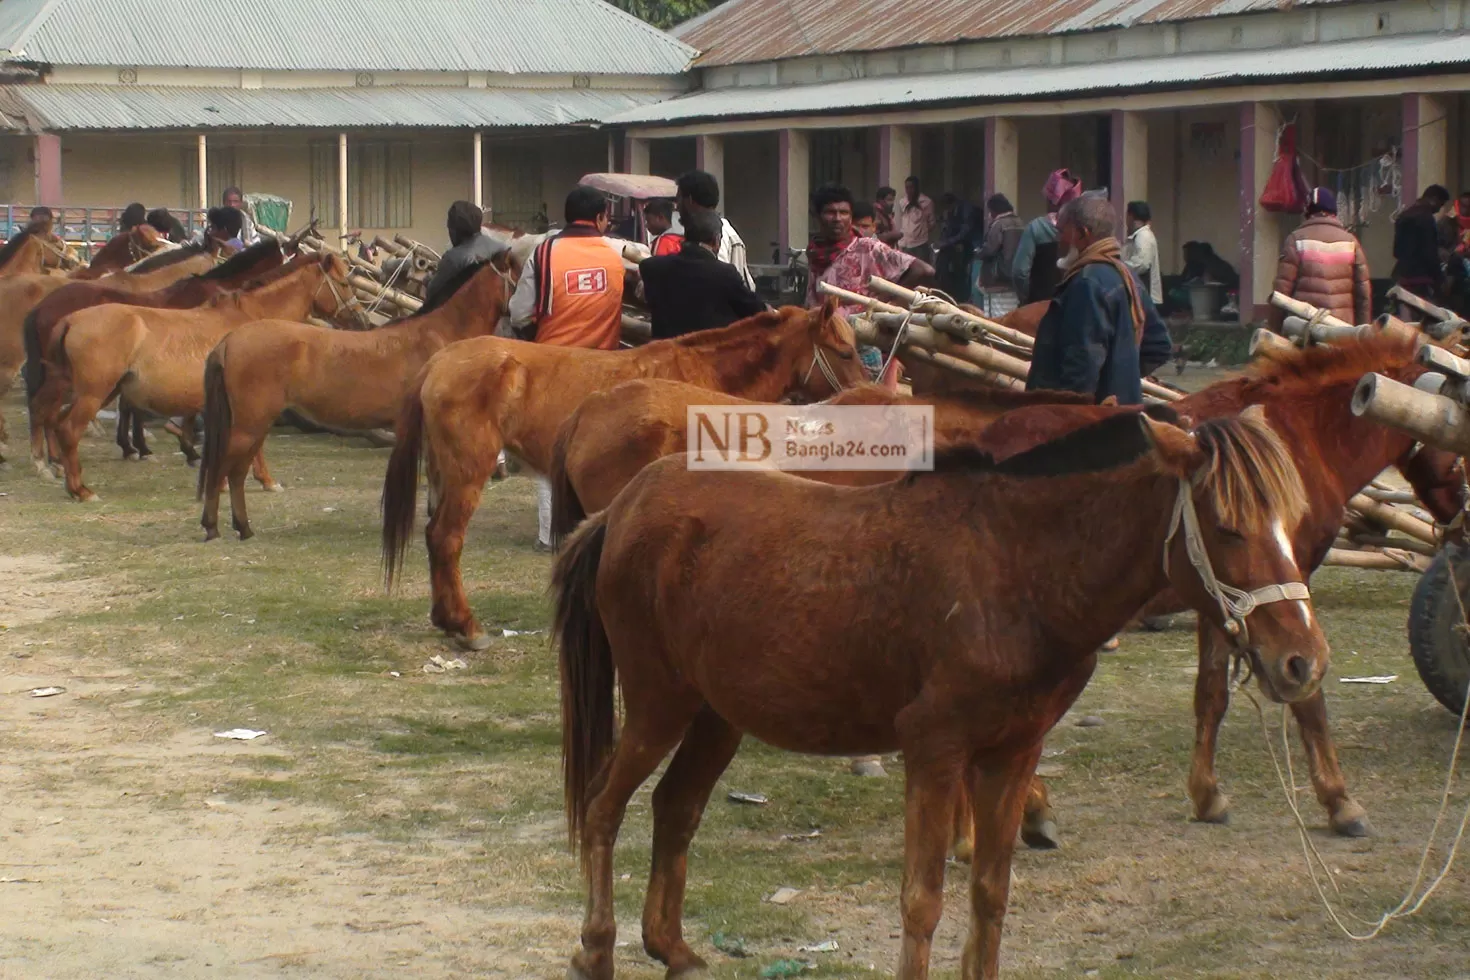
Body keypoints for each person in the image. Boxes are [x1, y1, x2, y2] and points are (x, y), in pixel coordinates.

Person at [508, 186, 634, 552]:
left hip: (554, 368)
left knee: (553, 450)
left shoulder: (544, 252)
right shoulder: (614, 254)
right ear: (599, 219)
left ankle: (550, 536)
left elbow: (519, 312)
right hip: (605, 368)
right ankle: (599, 529)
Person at [1027, 195, 1172, 405]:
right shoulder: (1127, 275)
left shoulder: (1087, 283)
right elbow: (1159, 346)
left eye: (1062, 232)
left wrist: (1068, 413)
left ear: (1082, 234)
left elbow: (1082, 363)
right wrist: (1121, 377)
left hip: (1087, 421)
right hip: (1121, 417)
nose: (1059, 241)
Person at [805, 183, 934, 390]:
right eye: (830, 212)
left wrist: (883, 302)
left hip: (859, 348)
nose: (838, 218)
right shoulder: (815, 251)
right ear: (817, 216)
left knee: (863, 411)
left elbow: (923, 270)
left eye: (844, 212)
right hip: (821, 347)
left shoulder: (866, 247)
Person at [639, 210, 767, 340]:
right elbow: (756, 310)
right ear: (716, 239)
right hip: (708, 356)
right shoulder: (725, 274)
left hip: (665, 354)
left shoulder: (653, 268)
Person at [1269, 187, 1371, 331]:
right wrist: (1362, 331)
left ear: (1308, 212)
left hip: (1304, 329)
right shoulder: (1351, 242)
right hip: (1343, 330)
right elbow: (1363, 295)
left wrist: (1274, 329)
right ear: (1334, 212)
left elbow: (1281, 292)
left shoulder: (1296, 240)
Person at [675, 170, 755, 291]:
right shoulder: (723, 230)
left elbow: (712, 282)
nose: (677, 206)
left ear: (690, 200)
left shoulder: (713, 235)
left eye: (679, 199)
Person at [1013, 168, 1083, 305]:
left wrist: (1027, 299)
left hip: (1040, 304)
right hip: (1074, 303)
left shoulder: (1036, 228)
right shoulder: (1084, 229)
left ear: (1051, 200)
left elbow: (1019, 272)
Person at [424, 200, 506, 306]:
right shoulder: (503, 248)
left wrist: (428, 280)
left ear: (454, 230)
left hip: (468, 318)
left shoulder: (453, 258)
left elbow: (433, 292)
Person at [1393, 184, 1451, 318]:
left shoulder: (1404, 215)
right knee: (1431, 318)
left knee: (1414, 315)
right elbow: (1429, 252)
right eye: (1440, 204)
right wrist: (1439, 278)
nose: (1438, 209)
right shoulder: (1426, 219)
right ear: (1433, 199)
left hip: (1405, 275)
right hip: (1423, 278)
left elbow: (1396, 251)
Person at [976, 194, 1025, 318]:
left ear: (994, 210)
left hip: (997, 280)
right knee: (1011, 315)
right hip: (1014, 279)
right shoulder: (1020, 222)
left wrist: (978, 252)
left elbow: (990, 250)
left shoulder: (999, 224)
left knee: (996, 318)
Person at [934, 192, 981, 303]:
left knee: (966, 271)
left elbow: (965, 231)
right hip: (959, 243)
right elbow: (950, 228)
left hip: (973, 242)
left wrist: (947, 242)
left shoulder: (967, 210)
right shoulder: (952, 211)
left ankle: (964, 297)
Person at [1123, 201, 1163, 305]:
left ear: (1130, 217)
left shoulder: (1143, 236)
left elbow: (1142, 264)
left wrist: (1120, 267)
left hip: (1144, 298)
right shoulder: (1139, 236)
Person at [893, 175, 935, 263]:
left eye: (911, 187)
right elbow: (899, 222)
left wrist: (922, 232)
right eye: (907, 188)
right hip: (905, 243)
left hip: (920, 244)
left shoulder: (926, 202)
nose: (909, 190)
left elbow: (931, 223)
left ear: (916, 188)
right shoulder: (902, 202)